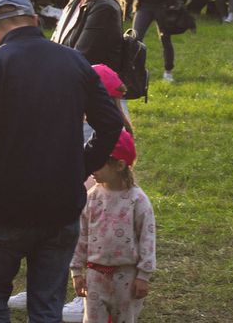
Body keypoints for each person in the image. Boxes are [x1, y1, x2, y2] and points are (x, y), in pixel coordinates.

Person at [0, 0, 124, 323]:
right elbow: (111, 122)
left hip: (3, 205)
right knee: (47, 307)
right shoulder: (75, 62)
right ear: (35, 20)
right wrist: (82, 166)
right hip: (60, 204)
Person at [70, 131, 155, 323]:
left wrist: (144, 275)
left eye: (99, 161)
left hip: (127, 277)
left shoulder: (137, 201)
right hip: (95, 276)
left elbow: (147, 239)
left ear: (119, 165)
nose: (91, 166)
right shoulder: (91, 197)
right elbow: (81, 235)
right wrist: (76, 271)